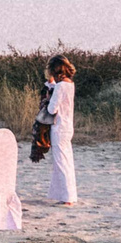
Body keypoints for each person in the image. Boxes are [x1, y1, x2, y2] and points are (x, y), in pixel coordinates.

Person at [38, 55, 78, 203]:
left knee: (61, 162)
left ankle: (67, 197)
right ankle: (60, 194)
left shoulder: (61, 86)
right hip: (67, 126)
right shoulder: (69, 84)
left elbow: (52, 108)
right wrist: (51, 85)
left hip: (59, 127)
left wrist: (47, 99)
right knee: (65, 160)